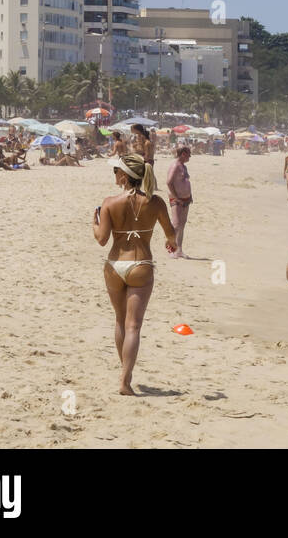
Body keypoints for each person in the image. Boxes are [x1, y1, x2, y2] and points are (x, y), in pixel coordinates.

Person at [93, 154, 177, 395]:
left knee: (120, 321)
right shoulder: (156, 202)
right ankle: (124, 380)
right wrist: (170, 244)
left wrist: (94, 223)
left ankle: (124, 373)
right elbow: (171, 234)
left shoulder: (110, 202)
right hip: (141, 264)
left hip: (114, 264)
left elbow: (101, 239)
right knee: (133, 326)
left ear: (124, 176)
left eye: (116, 171)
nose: (115, 175)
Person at [165, 146, 194, 258]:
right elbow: (169, 182)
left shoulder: (183, 167)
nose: (190, 157)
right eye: (188, 154)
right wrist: (176, 197)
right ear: (183, 154)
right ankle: (171, 249)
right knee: (176, 224)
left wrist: (190, 195)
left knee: (182, 224)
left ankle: (179, 250)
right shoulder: (175, 165)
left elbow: (186, 182)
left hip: (186, 199)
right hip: (176, 199)